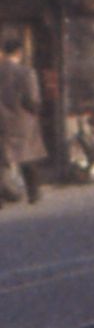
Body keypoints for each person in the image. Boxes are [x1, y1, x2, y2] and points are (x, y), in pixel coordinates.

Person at [0, 34, 44, 207]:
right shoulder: (26, 72)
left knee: (3, 159)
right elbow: (32, 99)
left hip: (2, 121)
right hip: (23, 120)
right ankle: (33, 192)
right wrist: (35, 110)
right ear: (19, 52)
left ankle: (3, 194)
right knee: (27, 157)